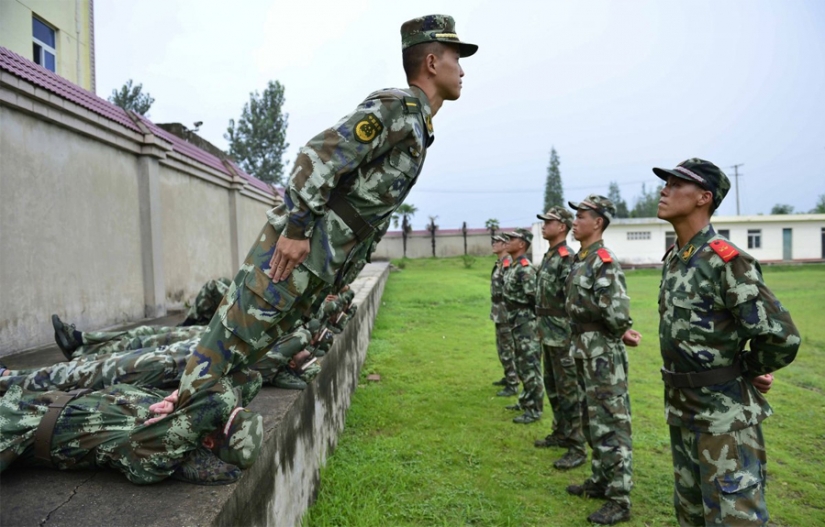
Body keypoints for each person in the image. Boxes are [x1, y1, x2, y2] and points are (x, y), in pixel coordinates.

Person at [153, 15, 478, 420]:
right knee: (224, 347)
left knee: (246, 355)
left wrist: (340, 275)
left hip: (320, 265)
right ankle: (163, 429)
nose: (462, 70)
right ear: (431, 62)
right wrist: (296, 229)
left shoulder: (417, 125)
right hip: (295, 254)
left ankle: (185, 419)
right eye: (455, 59)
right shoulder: (396, 107)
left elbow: (365, 211)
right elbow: (319, 154)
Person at [653, 158, 801, 526]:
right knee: (690, 515)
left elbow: (782, 337)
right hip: (683, 411)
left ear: (704, 197)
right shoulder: (676, 258)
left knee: (735, 518)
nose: (664, 190)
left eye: (676, 184)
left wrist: (745, 369)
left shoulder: (726, 261)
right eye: (666, 183)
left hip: (723, 419)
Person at [0, 380, 263, 486]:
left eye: (221, 418)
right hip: (28, 398)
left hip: (14, 430)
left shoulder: (160, 452)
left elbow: (221, 396)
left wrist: (187, 394)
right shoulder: (173, 416)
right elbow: (250, 377)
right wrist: (178, 398)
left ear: (206, 440)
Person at [564, 195, 641, 525]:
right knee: (592, 420)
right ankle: (600, 479)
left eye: (581, 216)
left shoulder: (603, 261)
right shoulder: (582, 259)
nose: (575, 221)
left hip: (602, 355)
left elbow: (617, 313)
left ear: (598, 222)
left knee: (612, 424)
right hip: (584, 349)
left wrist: (620, 332)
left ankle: (619, 497)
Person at [532, 207, 586, 470]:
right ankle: (561, 432)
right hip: (547, 333)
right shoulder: (550, 255)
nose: (544, 225)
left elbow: (572, 298)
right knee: (553, 387)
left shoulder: (566, 257)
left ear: (562, 227)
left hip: (562, 334)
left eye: (549, 222)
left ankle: (577, 446)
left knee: (569, 392)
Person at [501, 228, 544, 424]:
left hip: (526, 323)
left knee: (530, 365)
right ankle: (526, 400)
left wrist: (534, 323)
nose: (507, 242)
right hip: (516, 321)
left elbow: (535, 299)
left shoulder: (525, 268)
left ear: (522, 244)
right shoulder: (514, 266)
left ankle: (534, 409)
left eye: (512, 239)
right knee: (521, 363)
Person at [489, 234, 519, 396]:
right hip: (499, 311)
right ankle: (509, 377)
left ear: (504, 244)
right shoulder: (500, 263)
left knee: (507, 348)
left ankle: (513, 382)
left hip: (506, 312)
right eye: (493, 241)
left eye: (497, 242)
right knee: (502, 347)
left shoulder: (507, 263)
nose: (493, 244)